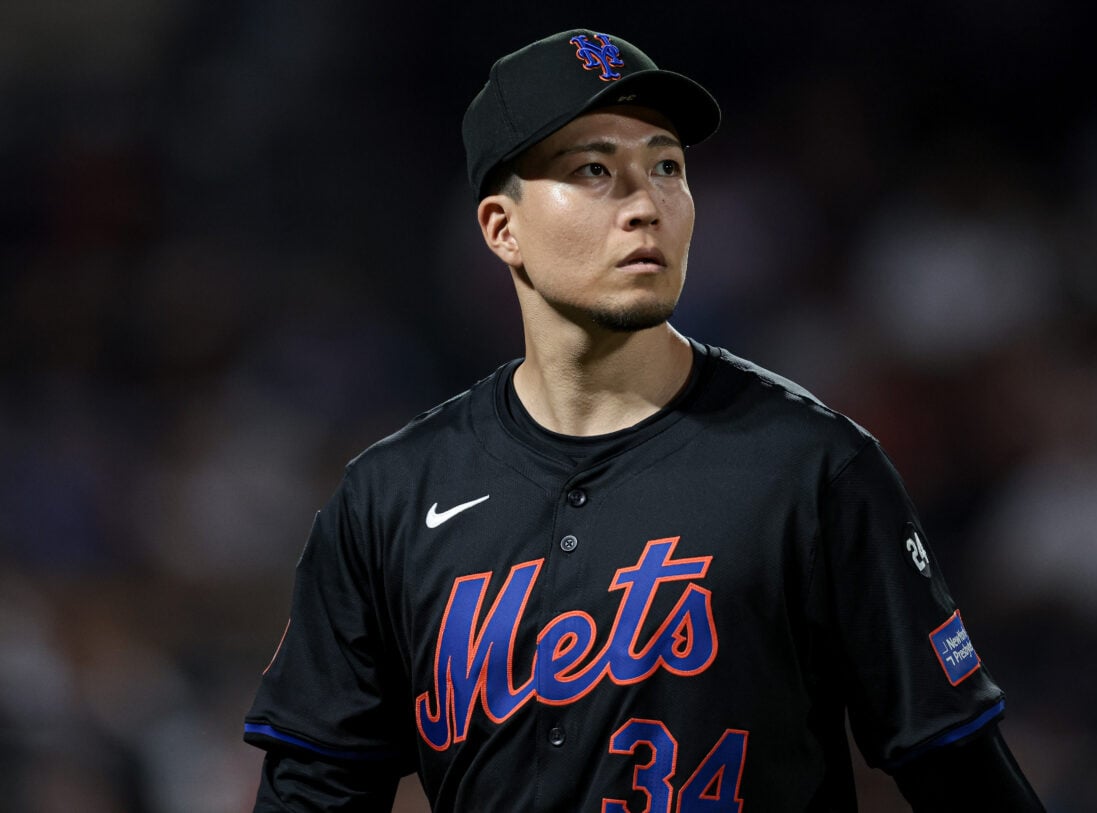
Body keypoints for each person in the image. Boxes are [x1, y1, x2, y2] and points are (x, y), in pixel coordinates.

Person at [243, 29, 1044, 811]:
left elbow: (959, 768)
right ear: (502, 227)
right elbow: (315, 788)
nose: (646, 205)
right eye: (594, 169)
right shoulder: (390, 497)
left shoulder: (812, 469)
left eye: (666, 166)